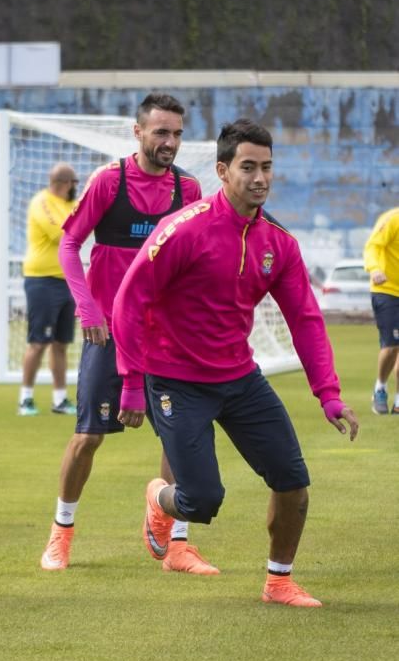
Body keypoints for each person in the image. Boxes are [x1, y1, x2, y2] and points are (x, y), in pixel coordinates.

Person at [112, 118, 359, 608]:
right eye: (248, 167)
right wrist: (131, 382)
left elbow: (305, 319)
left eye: (267, 167)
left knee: (294, 484)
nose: (260, 177)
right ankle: (159, 499)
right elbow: (128, 300)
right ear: (223, 171)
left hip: (239, 378)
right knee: (201, 501)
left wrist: (327, 394)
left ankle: (279, 581)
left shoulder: (279, 244)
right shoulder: (184, 229)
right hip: (175, 380)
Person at [40, 93, 219, 575]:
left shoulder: (189, 190)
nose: (170, 142)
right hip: (109, 334)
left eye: (177, 134)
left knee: (182, 434)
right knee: (88, 437)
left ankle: (177, 542)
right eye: (161, 132)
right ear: (137, 132)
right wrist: (88, 308)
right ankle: (61, 532)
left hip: (166, 335)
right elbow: (70, 245)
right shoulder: (109, 182)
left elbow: (197, 257)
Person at [18, 163, 78, 416]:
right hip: (42, 280)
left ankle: (60, 399)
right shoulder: (41, 202)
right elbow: (61, 233)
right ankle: (26, 399)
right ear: (63, 182)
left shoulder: (69, 206)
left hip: (67, 281)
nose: (76, 187)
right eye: (74, 183)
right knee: (38, 342)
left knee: (61, 343)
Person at [363, 206, 399, 415]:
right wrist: (375, 268)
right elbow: (373, 246)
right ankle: (380, 388)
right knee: (392, 345)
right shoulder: (392, 219)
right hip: (387, 290)